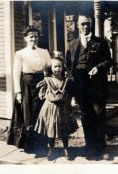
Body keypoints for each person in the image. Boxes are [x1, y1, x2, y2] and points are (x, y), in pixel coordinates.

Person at [66, 14, 112, 159]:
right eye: (83, 24)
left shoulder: (101, 42)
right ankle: (90, 146)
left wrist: (98, 68)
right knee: (86, 116)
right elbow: (69, 67)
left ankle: (101, 148)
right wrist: (72, 85)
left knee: (98, 114)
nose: (85, 27)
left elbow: (108, 61)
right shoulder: (73, 44)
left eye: (88, 24)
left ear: (91, 25)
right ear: (77, 25)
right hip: (80, 85)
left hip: (97, 84)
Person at [9, 25, 51, 153]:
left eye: (36, 36)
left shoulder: (44, 52)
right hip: (27, 84)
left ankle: (42, 145)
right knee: (28, 114)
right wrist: (18, 92)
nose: (34, 39)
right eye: (31, 37)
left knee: (41, 113)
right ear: (26, 38)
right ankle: (29, 146)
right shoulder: (20, 53)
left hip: (41, 84)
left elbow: (50, 67)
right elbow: (16, 73)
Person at [34, 57, 78, 160]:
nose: (57, 69)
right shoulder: (47, 80)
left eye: (59, 66)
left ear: (63, 68)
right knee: (51, 129)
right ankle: (51, 150)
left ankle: (66, 149)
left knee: (64, 130)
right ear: (51, 67)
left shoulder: (66, 81)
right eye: (55, 66)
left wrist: (72, 99)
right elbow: (40, 93)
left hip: (63, 109)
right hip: (50, 108)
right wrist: (42, 88)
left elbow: (71, 93)